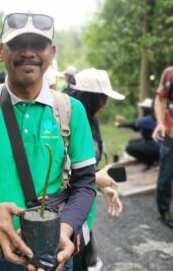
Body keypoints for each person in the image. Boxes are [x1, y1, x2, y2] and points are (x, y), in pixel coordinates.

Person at [0, 12, 97, 271]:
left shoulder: (71, 110)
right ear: (0, 51)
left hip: (53, 252)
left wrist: (66, 227)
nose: (29, 53)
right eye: (18, 44)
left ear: (52, 52)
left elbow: (85, 183)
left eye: (39, 45)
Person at [67, 68, 124, 271]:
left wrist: (101, 186)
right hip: (64, 216)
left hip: (84, 211)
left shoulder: (91, 120)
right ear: (88, 98)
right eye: (101, 99)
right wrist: (95, 178)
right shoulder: (61, 118)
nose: (105, 105)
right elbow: (52, 170)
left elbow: (88, 165)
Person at [152, 66, 173, 228]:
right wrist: (160, 123)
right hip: (171, 134)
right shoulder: (170, 73)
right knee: (166, 175)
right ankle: (164, 211)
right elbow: (160, 99)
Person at [116, 98, 160, 168]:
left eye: (143, 109)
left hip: (155, 147)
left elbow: (133, 124)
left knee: (129, 148)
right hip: (158, 145)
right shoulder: (156, 118)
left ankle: (150, 162)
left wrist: (119, 125)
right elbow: (136, 128)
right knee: (131, 142)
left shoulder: (148, 119)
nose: (142, 110)